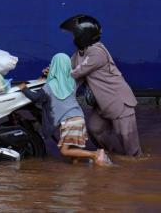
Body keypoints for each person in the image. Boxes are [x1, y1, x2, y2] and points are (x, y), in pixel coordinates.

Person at [60, 14, 142, 157]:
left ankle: (133, 165)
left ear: (83, 35)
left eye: (75, 34)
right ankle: (113, 157)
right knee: (95, 129)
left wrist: (59, 76)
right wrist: (52, 71)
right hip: (102, 104)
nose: (73, 37)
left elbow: (76, 72)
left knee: (130, 147)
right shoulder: (80, 53)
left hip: (119, 102)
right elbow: (67, 67)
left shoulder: (97, 52)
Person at [19, 53, 111, 166]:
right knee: (75, 157)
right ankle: (77, 173)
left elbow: (36, 98)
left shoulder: (49, 86)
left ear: (54, 66)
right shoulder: (71, 82)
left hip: (69, 122)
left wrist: (24, 88)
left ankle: (95, 154)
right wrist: (49, 74)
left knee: (64, 151)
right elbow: (60, 80)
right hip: (79, 118)